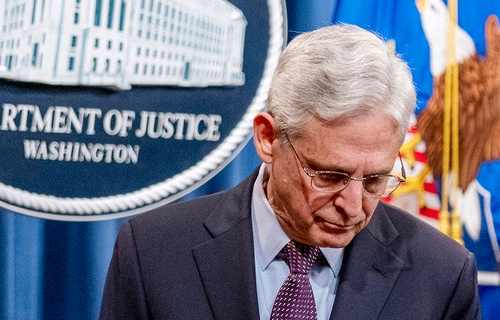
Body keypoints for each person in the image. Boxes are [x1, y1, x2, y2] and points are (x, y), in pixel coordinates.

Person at [99, 24, 481, 319]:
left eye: (375, 180)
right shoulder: (153, 251)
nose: (352, 206)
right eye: (330, 176)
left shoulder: (442, 275)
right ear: (268, 138)